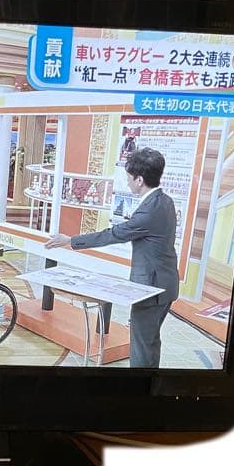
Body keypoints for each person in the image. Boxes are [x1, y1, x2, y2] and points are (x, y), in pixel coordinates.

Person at [45, 147, 179, 368]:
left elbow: (114, 234)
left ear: (139, 180)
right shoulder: (165, 201)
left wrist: (70, 240)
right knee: (150, 342)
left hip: (152, 289)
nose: (127, 182)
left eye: (128, 177)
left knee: (142, 347)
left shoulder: (148, 212)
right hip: (166, 284)